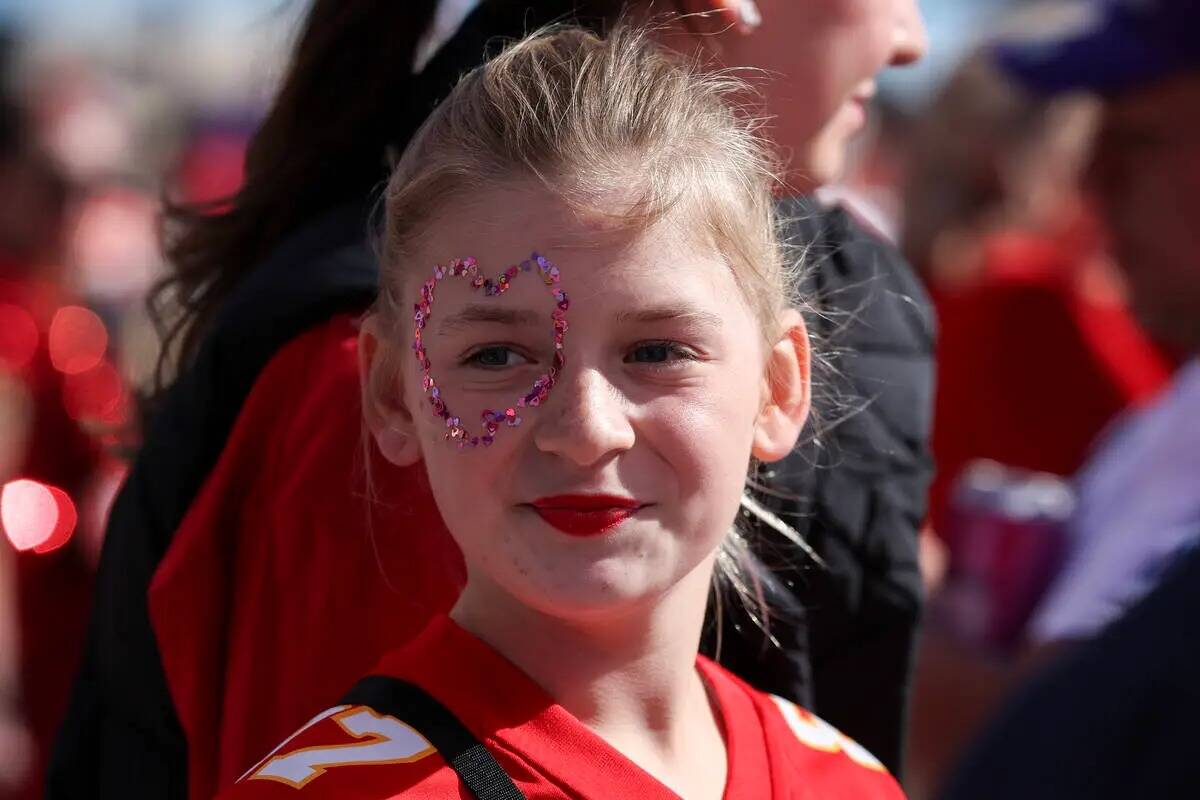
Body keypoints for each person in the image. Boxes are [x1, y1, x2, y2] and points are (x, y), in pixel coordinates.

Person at [50, 2, 933, 798]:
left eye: (657, 351)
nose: (586, 427)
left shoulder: (847, 780)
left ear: (779, 388)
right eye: (497, 355)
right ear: (392, 395)